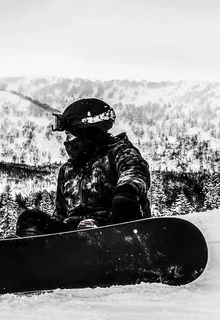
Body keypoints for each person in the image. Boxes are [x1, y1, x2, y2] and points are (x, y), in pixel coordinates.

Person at [16, 98, 151, 237]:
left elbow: (134, 173)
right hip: (75, 238)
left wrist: (126, 194)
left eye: (69, 135)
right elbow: (60, 213)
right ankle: (22, 249)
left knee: (125, 203)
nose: (67, 141)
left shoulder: (119, 152)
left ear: (86, 132)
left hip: (112, 229)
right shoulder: (67, 170)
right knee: (31, 218)